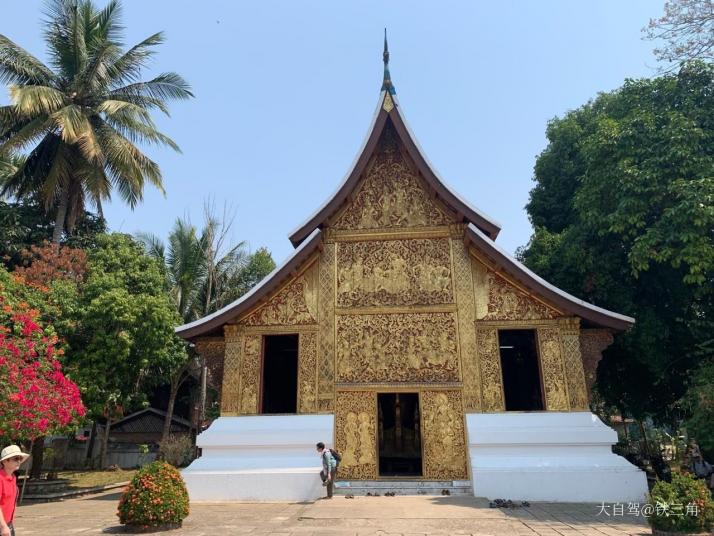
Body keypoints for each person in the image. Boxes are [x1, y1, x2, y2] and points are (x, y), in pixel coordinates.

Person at [0, 445, 30, 536]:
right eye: (16, 458)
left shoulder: (12, 477)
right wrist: (3, 526)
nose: (19, 461)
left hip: (8, 523)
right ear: (5, 461)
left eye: (20, 458)